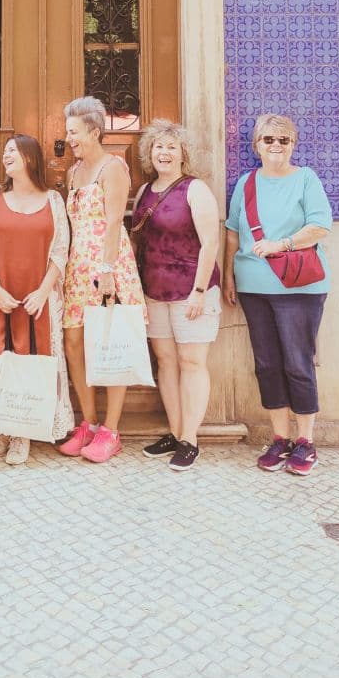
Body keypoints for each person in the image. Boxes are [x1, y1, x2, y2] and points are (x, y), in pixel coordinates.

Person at [223, 114, 332, 476]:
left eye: (284, 140)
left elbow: (319, 226)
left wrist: (281, 244)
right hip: (254, 287)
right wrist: (227, 276)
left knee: (297, 362)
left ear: (293, 146)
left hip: (298, 287)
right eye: (268, 139)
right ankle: (280, 438)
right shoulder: (245, 183)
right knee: (267, 363)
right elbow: (233, 233)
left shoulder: (306, 179)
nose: (275, 146)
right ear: (256, 145)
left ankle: (305, 442)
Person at [0, 134, 73, 465]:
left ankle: (22, 432)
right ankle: (1, 422)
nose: (5, 156)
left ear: (29, 158)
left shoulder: (53, 200)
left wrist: (43, 292)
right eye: (4, 152)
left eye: (12, 151)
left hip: (37, 298)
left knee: (33, 361)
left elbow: (61, 250)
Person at [59, 96, 146, 463]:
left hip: (107, 265)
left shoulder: (113, 168)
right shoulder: (73, 172)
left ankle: (112, 429)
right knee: (74, 342)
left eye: (74, 132)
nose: (69, 139)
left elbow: (113, 221)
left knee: (111, 341)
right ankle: (89, 424)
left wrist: (108, 270)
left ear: (94, 132)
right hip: (77, 264)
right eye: (68, 132)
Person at [131, 120, 221, 472]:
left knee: (191, 362)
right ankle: (174, 430)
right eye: (157, 147)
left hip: (190, 291)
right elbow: (139, 241)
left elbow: (210, 243)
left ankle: (190, 440)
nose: (163, 153)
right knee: (165, 362)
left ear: (184, 153)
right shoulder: (145, 192)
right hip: (155, 290)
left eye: (171, 147)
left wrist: (199, 290)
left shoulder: (195, 189)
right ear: (149, 154)